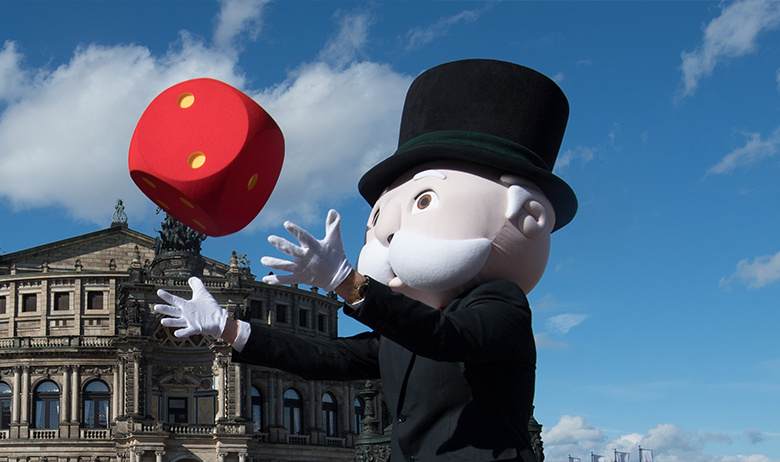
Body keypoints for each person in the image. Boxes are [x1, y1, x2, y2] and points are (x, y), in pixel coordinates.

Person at [155, 59, 577, 462]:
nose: (388, 234)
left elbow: (446, 338)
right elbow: (325, 357)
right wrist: (227, 328)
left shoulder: (502, 304)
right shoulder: (400, 337)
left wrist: (346, 281)